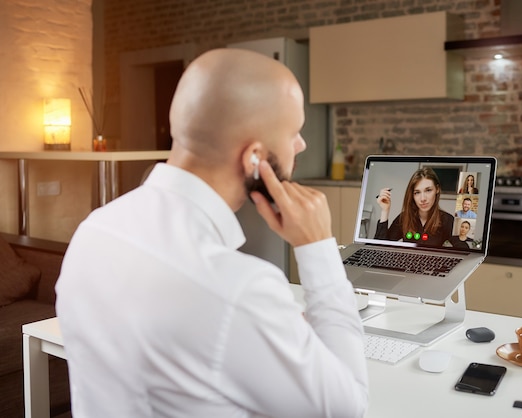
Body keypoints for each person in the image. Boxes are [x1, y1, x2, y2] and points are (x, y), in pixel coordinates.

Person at [55, 49, 368, 418]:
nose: (301, 145)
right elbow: (349, 409)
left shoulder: (94, 230)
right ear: (254, 157)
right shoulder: (237, 289)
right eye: (294, 132)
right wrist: (317, 247)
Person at [374, 167, 454, 247]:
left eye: (428, 190)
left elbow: (464, 250)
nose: (423, 199)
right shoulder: (404, 218)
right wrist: (385, 211)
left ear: (437, 189)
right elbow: (379, 250)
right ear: (412, 195)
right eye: (417, 192)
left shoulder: (447, 220)